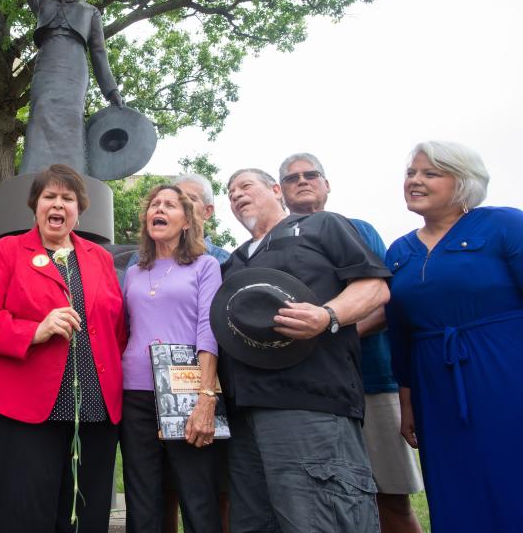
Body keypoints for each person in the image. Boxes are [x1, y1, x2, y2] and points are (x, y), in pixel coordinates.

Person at [218, 168, 390, 533]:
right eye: (230, 192)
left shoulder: (323, 226)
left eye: (245, 186)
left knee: (320, 520)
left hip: (311, 404)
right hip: (244, 412)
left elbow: (375, 288)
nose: (236, 195)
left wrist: (328, 315)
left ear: (276, 190)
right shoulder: (232, 260)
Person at [0, 164, 126, 533]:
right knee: (22, 514)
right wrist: (34, 331)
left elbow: (117, 329)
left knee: (84, 517)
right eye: (49, 196)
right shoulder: (7, 251)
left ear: (79, 210)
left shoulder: (99, 258)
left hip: (94, 412)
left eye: (67, 198)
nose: (58, 204)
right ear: (35, 206)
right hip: (22, 411)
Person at [278, 152, 424, 533]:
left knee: (389, 497)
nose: (302, 181)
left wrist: (330, 329)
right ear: (281, 192)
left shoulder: (356, 228)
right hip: (312, 392)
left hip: (371, 382)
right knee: (326, 499)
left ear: (327, 185)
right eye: (292, 178)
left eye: (312, 175)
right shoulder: (273, 245)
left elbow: (384, 300)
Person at [384, 141, 523, 533]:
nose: (415, 181)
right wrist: (407, 403)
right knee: (454, 482)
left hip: (507, 370)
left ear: (462, 182)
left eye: (430, 173)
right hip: (435, 383)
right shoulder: (399, 252)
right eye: (411, 173)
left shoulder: (504, 226)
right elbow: (400, 336)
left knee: (512, 471)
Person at [120, 184, 222, 533]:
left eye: (168, 205)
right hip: (134, 392)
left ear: (186, 221)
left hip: (185, 391)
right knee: (142, 495)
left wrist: (206, 398)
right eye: (153, 205)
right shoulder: (133, 272)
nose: (157, 209)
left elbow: (209, 332)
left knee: (197, 494)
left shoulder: (205, 266)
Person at [10, 0, 126, 175]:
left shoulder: (90, 11)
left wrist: (111, 91)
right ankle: (32, 175)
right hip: (47, 64)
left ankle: (72, 175)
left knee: (71, 118)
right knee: (41, 113)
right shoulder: (43, 0)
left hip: (74, 67)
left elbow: (98, 53)